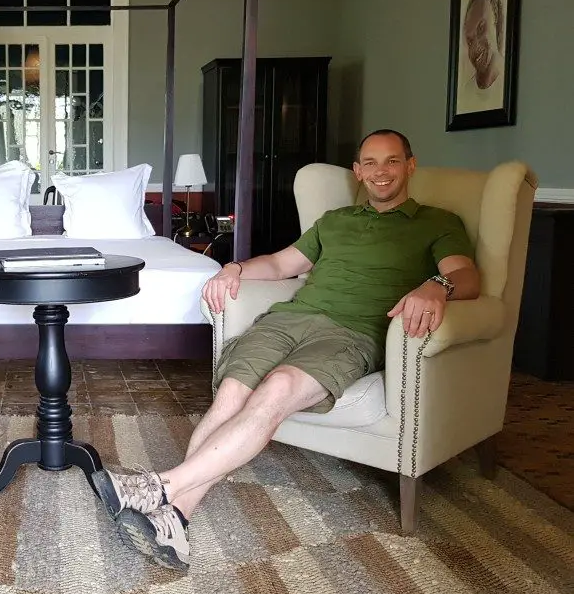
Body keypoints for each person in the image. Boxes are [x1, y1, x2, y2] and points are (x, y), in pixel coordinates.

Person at [91, 129, 480, 571]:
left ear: (410, 165)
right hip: (289, 319)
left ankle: (160, 486)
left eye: (391, 161)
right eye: (370, 163)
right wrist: (233, 268)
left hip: (352, 334)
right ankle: (177, 514)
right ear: (358, 172)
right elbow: (280, 264)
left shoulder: (437, 222)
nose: (381, 172)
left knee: (277, 388)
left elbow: (467, 276)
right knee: (231, 395)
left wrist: (437, 286)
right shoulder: (335, 221)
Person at [458, 0, 505, 113]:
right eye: (470, 40)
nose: (475, 47)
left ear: (496, 21)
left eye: (481, 29)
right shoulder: (466, 92)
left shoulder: (508, 84)